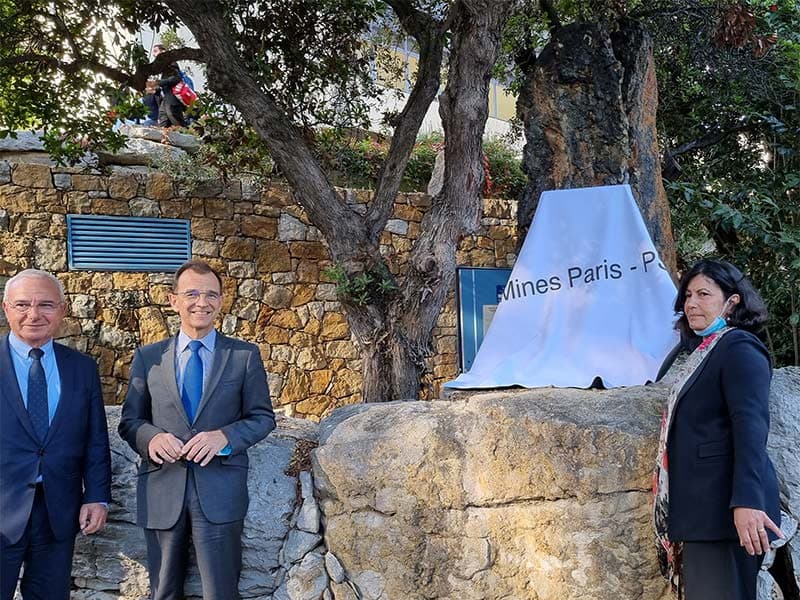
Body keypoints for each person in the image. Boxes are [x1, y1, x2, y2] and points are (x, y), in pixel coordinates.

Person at [118, 260, 275, 600]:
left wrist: (226, 437)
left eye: (210, 295)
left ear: (221, 301)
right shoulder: (148, 357)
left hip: (220, 491)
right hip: (162, 489)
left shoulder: (244, 356)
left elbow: (263, 417)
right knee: (163, 592)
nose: (201, 302)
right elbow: (130, 421)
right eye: (191, 294)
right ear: (173, 300)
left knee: (221, 592)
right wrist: (152, 438)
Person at [653, 259, 782, 600]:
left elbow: (751, 427)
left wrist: (747, 502)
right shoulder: (698, 352)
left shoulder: (738, 348)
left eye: (704, 294)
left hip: (728, 513)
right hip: (703, 512)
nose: (691, 303)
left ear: (732, 300)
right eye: (688, 295)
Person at [0, 270, 111, 600]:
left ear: (63, 310)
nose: (33, 314)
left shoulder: (82, 368)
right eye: (23, 304)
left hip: (57, 511)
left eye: (46, 304)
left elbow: (95, 438)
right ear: (6, 308)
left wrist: (96, 495)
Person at [152, 44, 188, 128]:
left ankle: (188, 137)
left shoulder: (171, 63)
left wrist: (160, 82)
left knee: (178, 123)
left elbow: (176, 78)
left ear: (163, 52)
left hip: (172, 99)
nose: (154, 55)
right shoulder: (163, 67)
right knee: (163, 122)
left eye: (155, 51)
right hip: (165, 100)